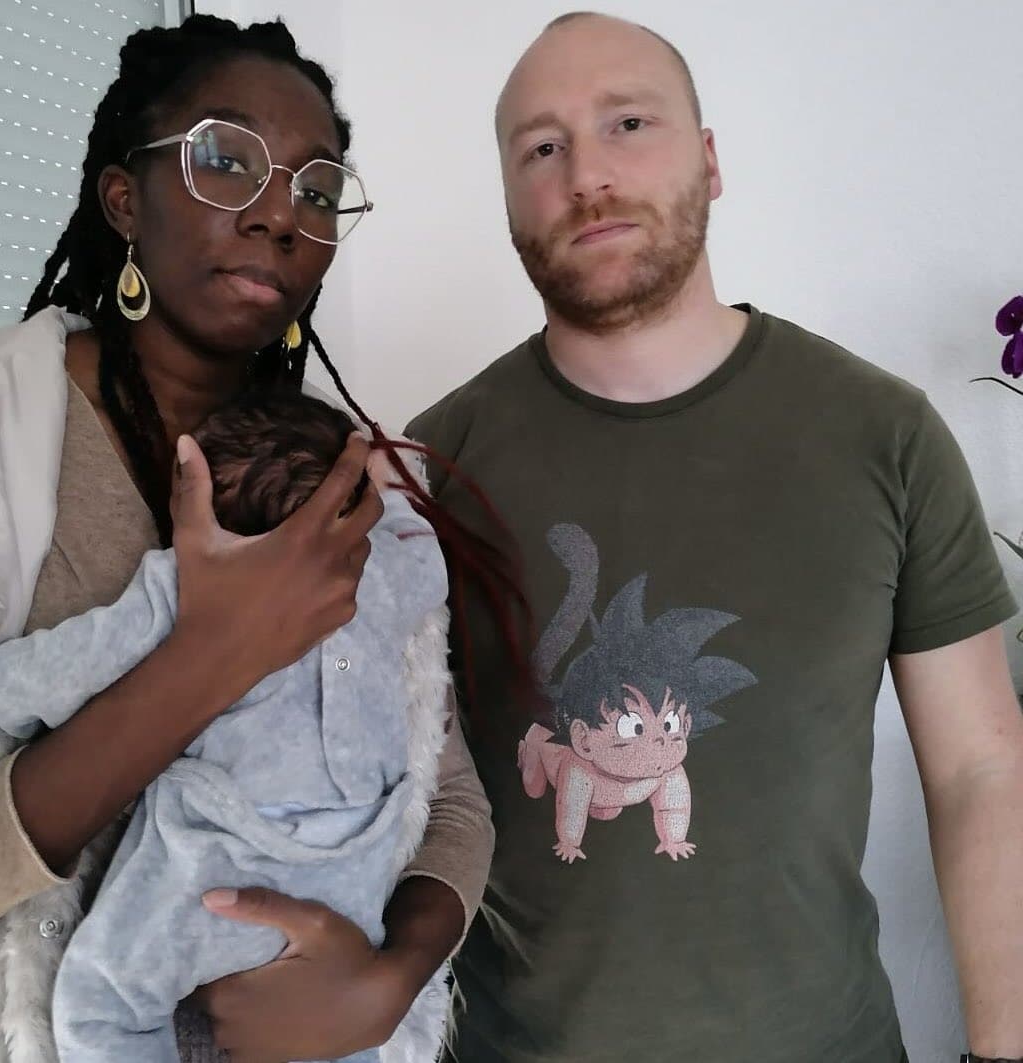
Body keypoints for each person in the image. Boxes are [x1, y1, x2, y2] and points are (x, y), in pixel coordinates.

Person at [0, 16, 492, 1063]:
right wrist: (212, 653)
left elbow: (446, 797)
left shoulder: (342, 479)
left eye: (318, 189)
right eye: (226, 158)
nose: (281, 213)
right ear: (123, 199)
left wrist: (387, 981)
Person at [407, 12, 1023, 1063]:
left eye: (628, 122)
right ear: (510, 198)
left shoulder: (885, 434)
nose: (587, 175)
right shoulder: (428, 469)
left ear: (709, 159)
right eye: (542, 147)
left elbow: (980, 770)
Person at [0, 390, 452, 1063]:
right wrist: (381, 497)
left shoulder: (184, 587)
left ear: (191, 504)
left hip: (220, 862)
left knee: (104, 1006)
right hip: (351, 867)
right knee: (336, 1034)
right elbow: (428, 557)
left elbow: (49, 675)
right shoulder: (381, 570)